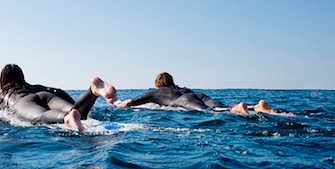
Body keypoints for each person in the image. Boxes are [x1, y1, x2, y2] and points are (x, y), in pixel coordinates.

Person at [0, 64, 117, 131]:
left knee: (40, 116)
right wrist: (72, 104)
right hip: (45, 96)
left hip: (23, 102)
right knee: (77, 112)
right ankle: (93, 91)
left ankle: (67, 118)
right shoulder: (33, 86)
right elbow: (57, 91)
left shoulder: (0, 95)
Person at [115, 72, 278, 115]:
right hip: (197, 94)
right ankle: (256, 106)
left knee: (210, 113)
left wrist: (119, 104)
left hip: (183, 101)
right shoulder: (181, 87)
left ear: (158, 85)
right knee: (222, 107)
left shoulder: (156, 92)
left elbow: (131, 102)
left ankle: (240, 109)